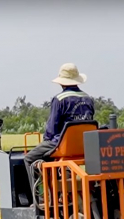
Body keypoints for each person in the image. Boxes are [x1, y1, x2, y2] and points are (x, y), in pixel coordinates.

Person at [23, 63, 95, 198]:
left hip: (63, 144)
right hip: (85, 145)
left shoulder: (59, 99)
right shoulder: (88, 99)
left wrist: (46, 143)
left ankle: (39, 199)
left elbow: (51, 129)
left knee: (29, 158)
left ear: (62, 82)